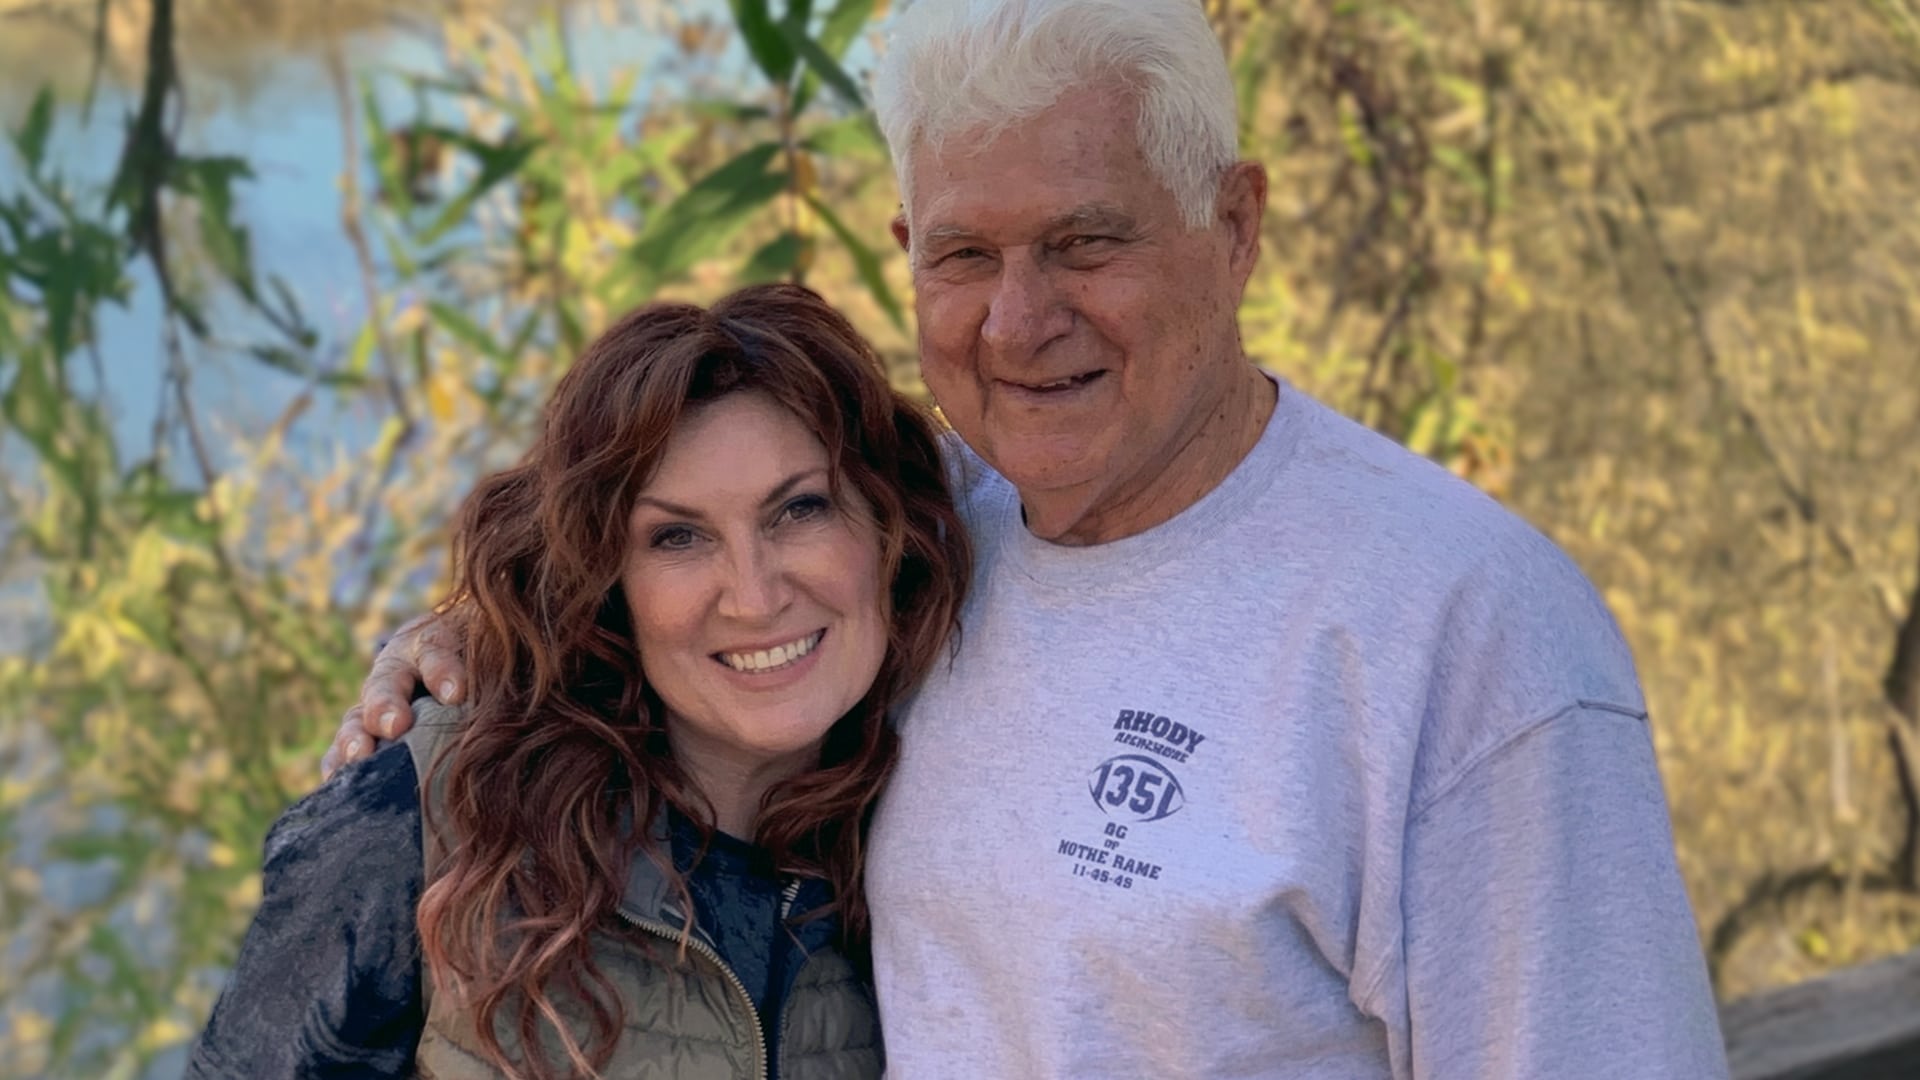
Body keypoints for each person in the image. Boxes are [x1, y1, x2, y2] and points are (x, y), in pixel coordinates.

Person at [329, 0, 1733, 1076]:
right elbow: (667, 567)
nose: (1018, 322)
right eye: (964, 256)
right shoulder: (928, 530)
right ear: (904, 251)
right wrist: (472, 640)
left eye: (1085, 243)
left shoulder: (1469, 633)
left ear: (1234, 226)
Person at [188, 284, 969, 1078]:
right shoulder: (432, 819)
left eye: (800, 510)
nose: (755, 595)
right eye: (677, 537)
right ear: (604, 578)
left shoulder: (922, 829)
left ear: (889, 527)